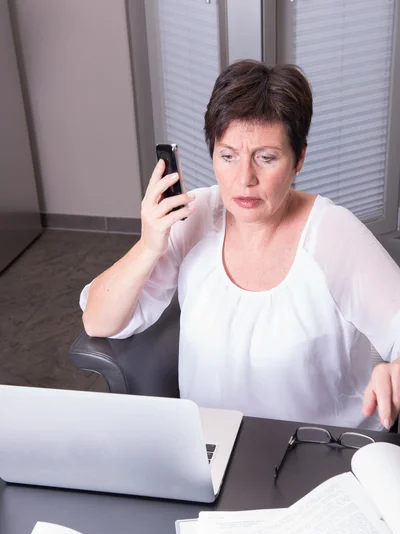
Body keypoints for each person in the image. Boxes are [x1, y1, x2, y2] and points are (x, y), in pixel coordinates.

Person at [80, 60, 400, 431]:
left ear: (299, 159)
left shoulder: (334, 234)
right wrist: (150, 245)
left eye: (266, 158)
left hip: (315, 453)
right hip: (210, 450)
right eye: (228, 156)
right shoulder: (192, 217)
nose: (244, 179)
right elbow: (98, 320)